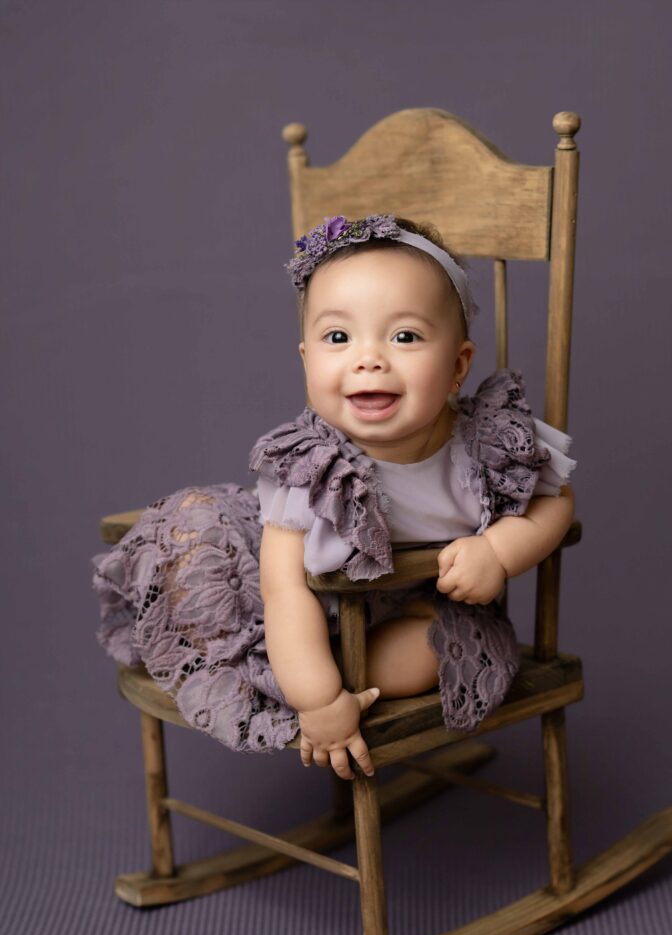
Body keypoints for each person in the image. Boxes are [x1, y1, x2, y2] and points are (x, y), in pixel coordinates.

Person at [93, 214, 576, 781]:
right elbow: (283, 589)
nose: (367, 358)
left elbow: (555, 503)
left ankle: (330, 672)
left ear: (457, 367)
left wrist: (499, 550)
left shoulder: (489, 441)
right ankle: (260, 667)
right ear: (307, 360)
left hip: (412, 601)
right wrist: (319, 701)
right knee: (194, 532)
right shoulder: (307, 467)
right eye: (338, 338)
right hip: (285, 603)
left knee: (429, 652)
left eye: (405, 336)